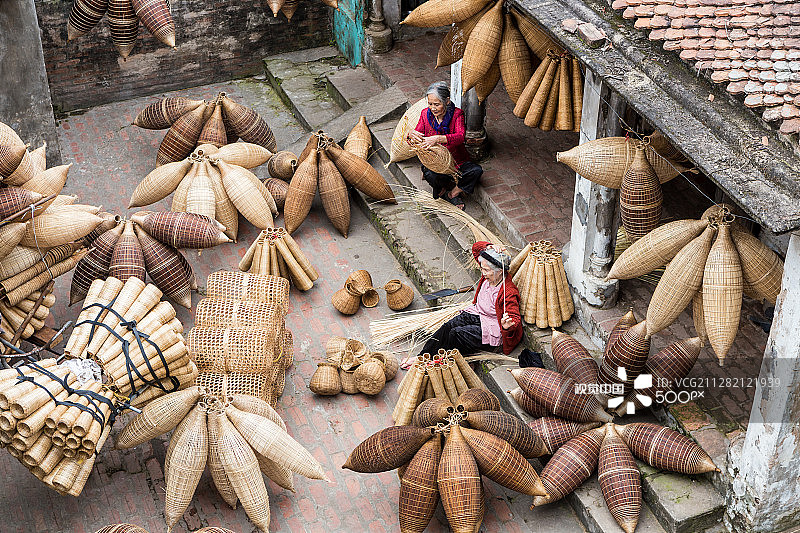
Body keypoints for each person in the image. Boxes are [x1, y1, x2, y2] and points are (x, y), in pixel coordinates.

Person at [416, 241, 523, 358]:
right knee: (447, 327)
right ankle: (421, 357)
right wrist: (489, 247)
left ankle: (436, 360)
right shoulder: (488, 273)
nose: (483, 273)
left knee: (456, 334)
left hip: (491, 327)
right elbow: (476, 249)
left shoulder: (508, 292)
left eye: (486, 270)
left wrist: (507, 325)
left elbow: (515, 318)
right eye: (482, 269)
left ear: (500, 271)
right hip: (477, 314)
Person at [407, 81, 483, 210]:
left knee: (475, 171)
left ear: (447, 101)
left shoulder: (457, 114)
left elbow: (460, 137)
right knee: (430, 173)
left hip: (456, 161)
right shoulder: (425, 114)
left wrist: (438, 138)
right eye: (430, 104)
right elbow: (416, 137)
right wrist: (410, 135)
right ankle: (442, 186)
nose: (433, 108)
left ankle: (453, 193)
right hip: (436, 161)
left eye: (437, 104)